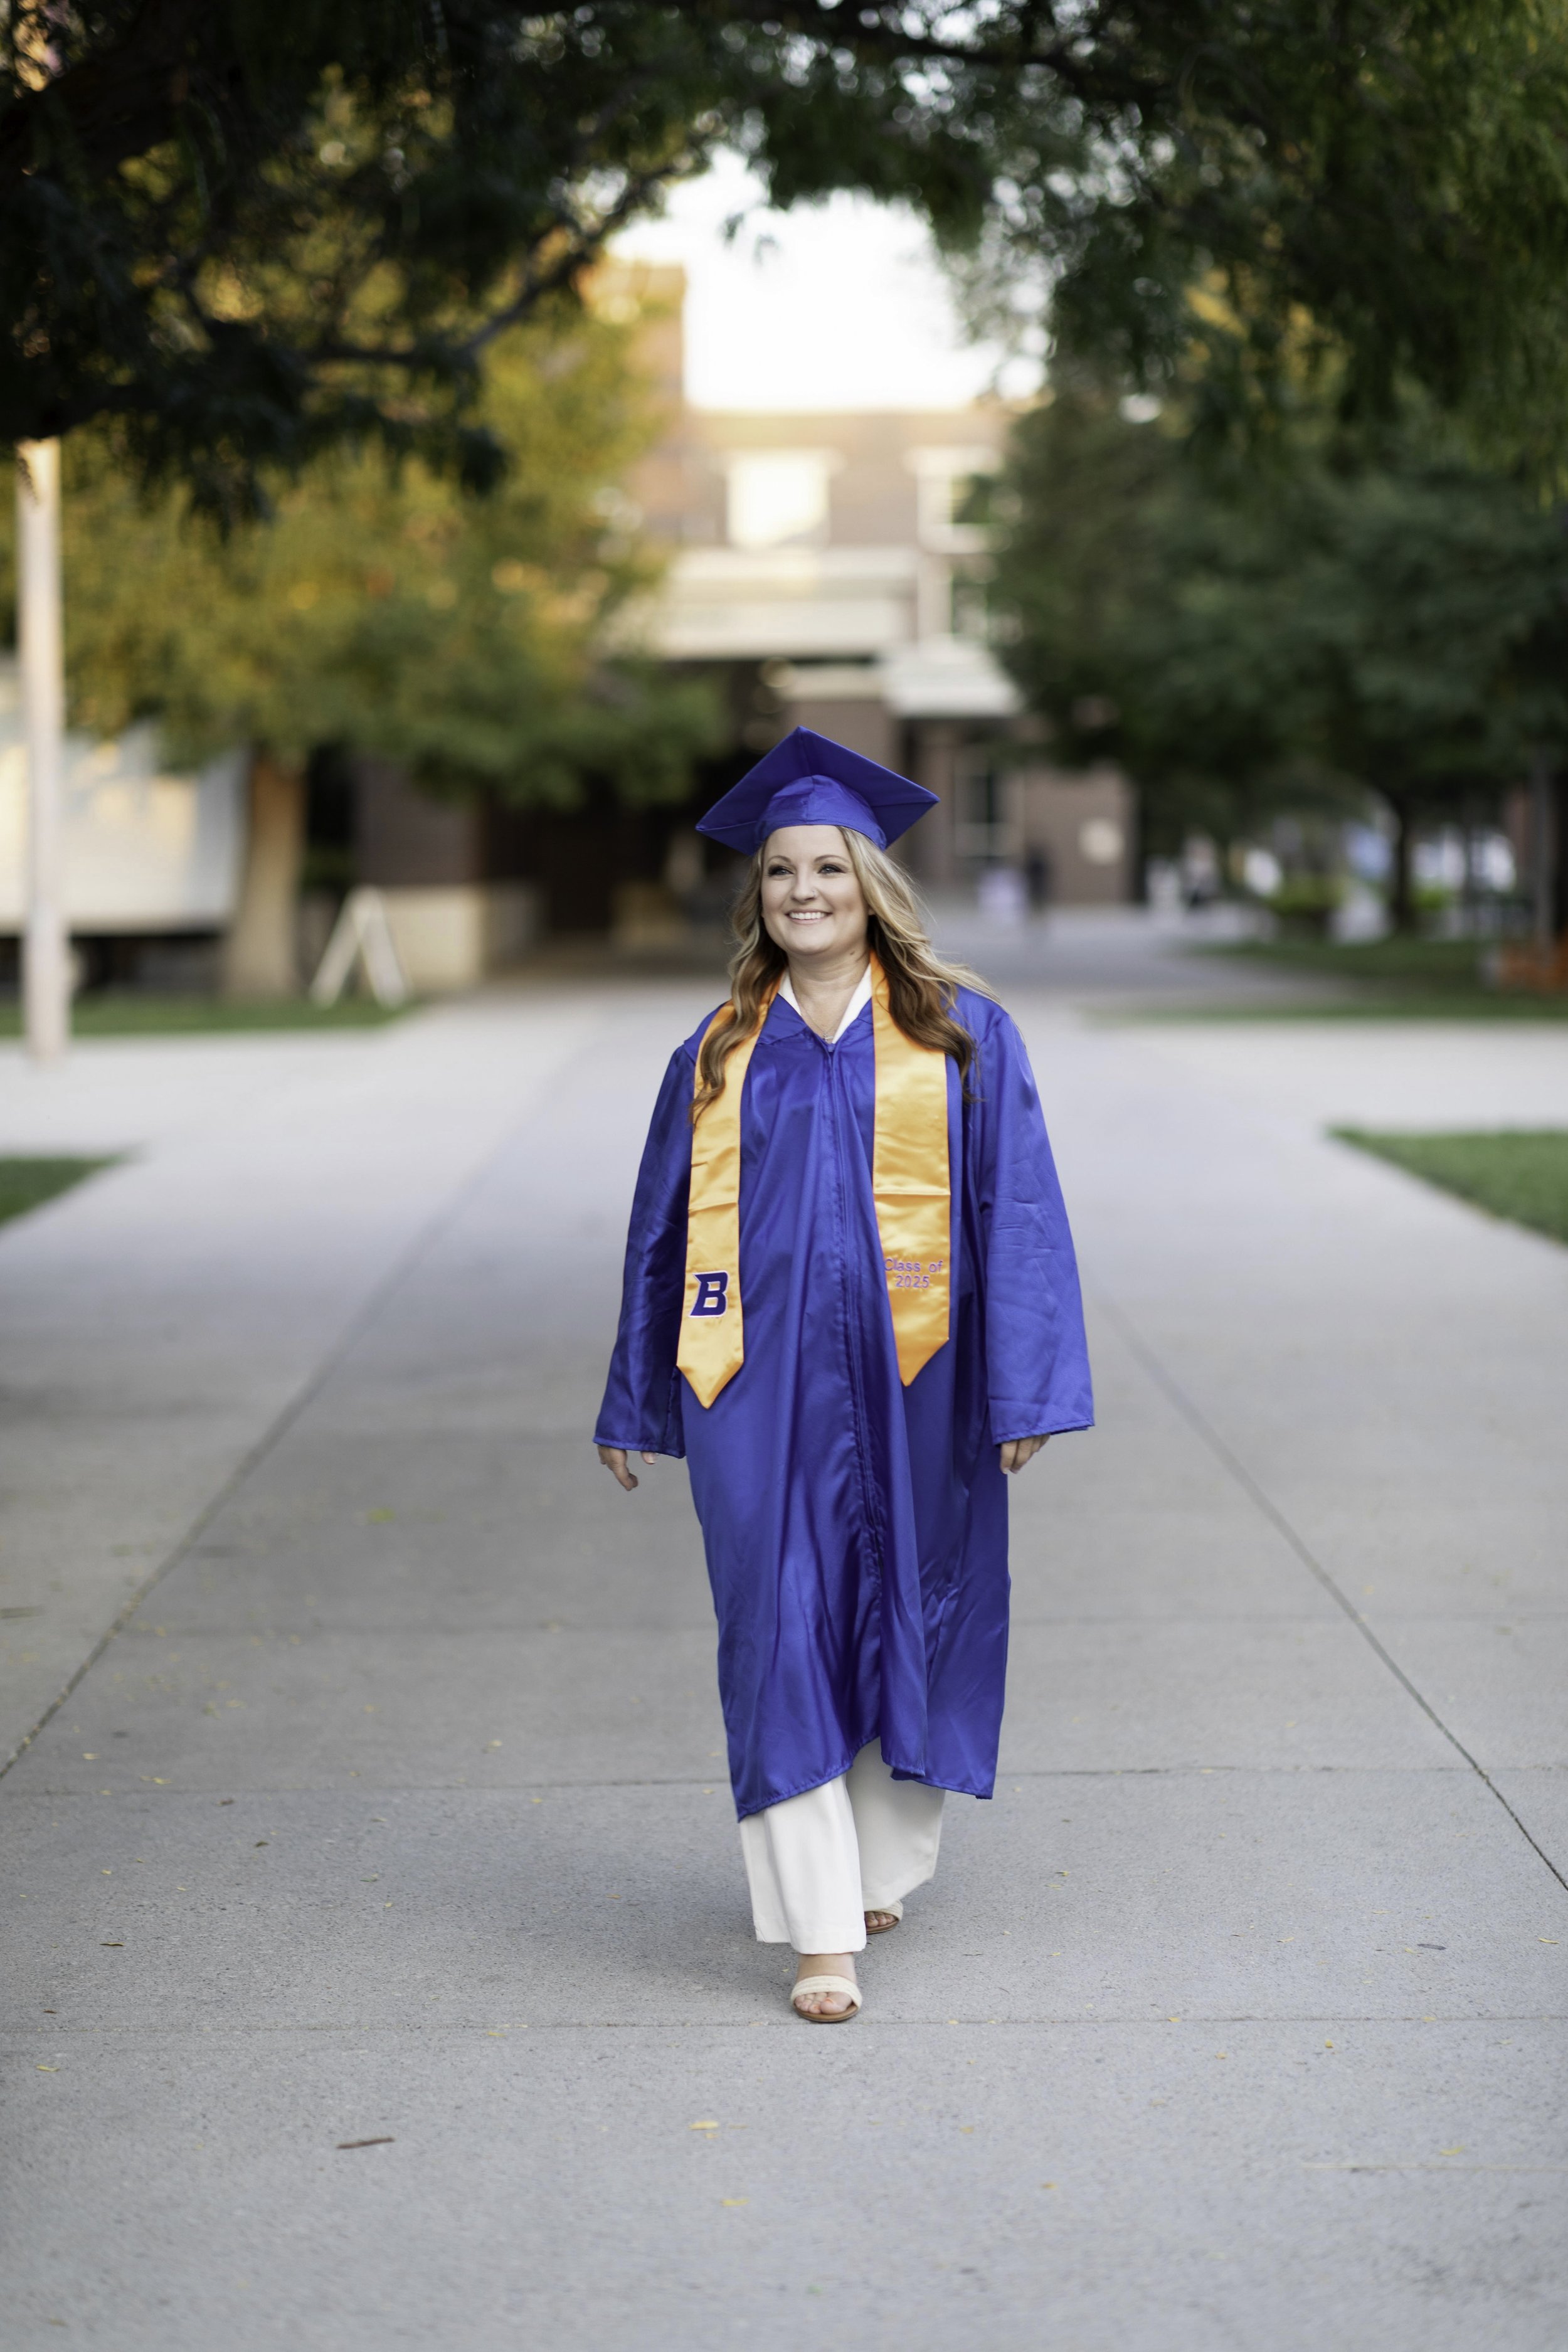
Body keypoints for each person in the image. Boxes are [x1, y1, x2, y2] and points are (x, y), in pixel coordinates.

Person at [595, 728, 1093, 2023]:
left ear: (871, 882)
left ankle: (874, 1861)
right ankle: (820, 1932)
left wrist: (1023, 1387)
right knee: (777, 1630)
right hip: (750, 1398)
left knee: (909, 1612)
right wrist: (635, 1399)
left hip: (919, 1387)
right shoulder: (715, 1052)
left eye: (826, 867)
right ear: (754, 895)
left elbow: (1019, 1215)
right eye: (777, 872)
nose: (801, 891)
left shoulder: (960, 1036)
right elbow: (659, 1229)